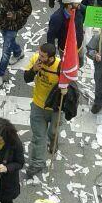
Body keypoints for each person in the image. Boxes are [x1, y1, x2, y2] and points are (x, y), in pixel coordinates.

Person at [24, 42, 61, 178]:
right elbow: (26, 79)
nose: (40, 57)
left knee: (53, 132)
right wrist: (34, 70)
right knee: (38, 136)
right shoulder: (35, 60)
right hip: (38, 105)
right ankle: (37, 163)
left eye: (43, 56)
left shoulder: (59, 66)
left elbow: (70, 85)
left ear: (51, 58)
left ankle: (53, 141)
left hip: (56, 108)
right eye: (39, 54)